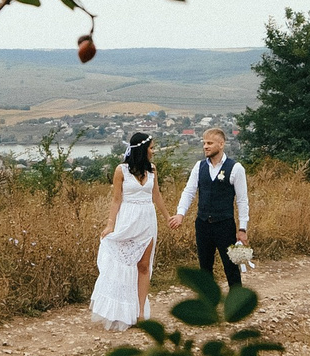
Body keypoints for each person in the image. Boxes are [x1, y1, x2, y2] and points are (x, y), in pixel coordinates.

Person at [90, 131, 159, 330]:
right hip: (128, 219)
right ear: (143, 149)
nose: (153, 152)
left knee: (144, 266)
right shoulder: (121, 170)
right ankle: (119, 310)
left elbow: (157, 196)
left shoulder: (153, 170)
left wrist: (168, 217)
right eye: (152, 148)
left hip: (147, 220)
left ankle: (139, 313)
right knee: (124, 264)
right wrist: (110, 224)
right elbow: (116, 199)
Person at [170, 126, 249, 297]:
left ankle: (237, 302)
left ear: (221, 144)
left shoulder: (235, 168)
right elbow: (189, 191)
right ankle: (207, 301)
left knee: (231, 266)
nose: (205, 146)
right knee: (204, 265)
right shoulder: (199, 167)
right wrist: (180, 213)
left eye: (210, 143)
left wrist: (242, 229)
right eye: (204, 143)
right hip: (203, 223)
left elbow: (242, 200)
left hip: (225, 224)